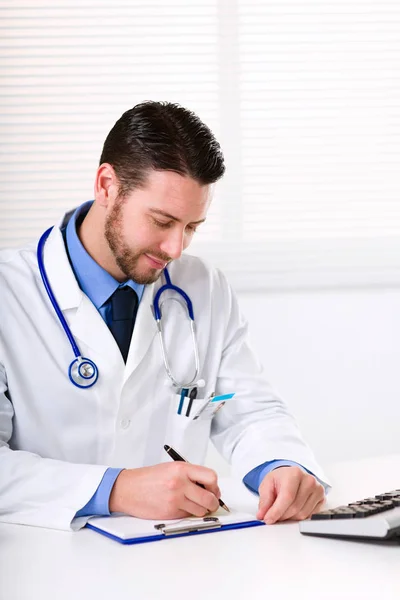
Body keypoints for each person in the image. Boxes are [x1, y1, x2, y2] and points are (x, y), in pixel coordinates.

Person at [0, 101, 328, 531]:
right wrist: (116, 489)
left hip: (175, 558)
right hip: (42, 562)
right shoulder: (10, 293)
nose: (176, 248)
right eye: (162, 221)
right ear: (106, 186)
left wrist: (282, 467)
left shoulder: (203, 289)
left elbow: (249, 412)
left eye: (192, 227)